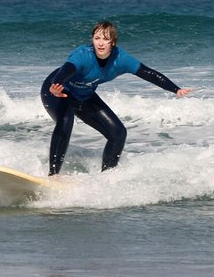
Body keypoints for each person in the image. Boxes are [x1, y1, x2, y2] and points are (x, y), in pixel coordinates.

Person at [41, 21, 192, 176]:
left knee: (118, 133)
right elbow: (66, 70)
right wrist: (56, 85)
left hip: (84, 95)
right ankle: (53, 175)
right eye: (96, 38)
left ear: (112, 42)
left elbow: (148, 73)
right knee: (66, 121)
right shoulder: (82, 55)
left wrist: (176, 89)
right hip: (56, 92)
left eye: (105, 39)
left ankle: (107, 177)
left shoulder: (121, 59)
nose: (100, 43)